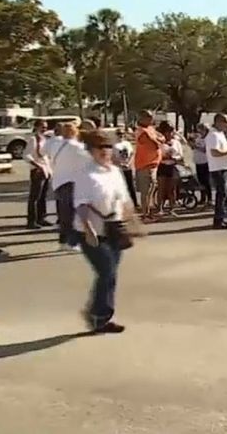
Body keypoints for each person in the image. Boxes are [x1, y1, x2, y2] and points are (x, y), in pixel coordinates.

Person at [74, 129, 135, 334]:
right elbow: (81, 204)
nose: (105, 151)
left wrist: (133, 221)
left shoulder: (114, 172)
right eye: (100, 147)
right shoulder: (86, 174)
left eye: (108, 147)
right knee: (107, 271)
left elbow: (125, 199)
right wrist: (89, 230)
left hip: (114, 228)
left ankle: (99, 314)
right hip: (91, 231)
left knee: (110, 274)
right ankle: (99, 315)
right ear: (91, 150)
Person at [50, 122, 88, 251]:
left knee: (64, 213)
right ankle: (70, 242)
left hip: (58, 181)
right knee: (72, 214)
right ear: (75, 132)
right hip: (72, 181)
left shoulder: (55, 144)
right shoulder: (77, 146)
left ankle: (63, 241)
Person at [205, 113, 227, 229]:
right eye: (225, 122)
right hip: (218, 168)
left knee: (224, 193)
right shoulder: (213, 135)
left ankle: (221, 217)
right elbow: (215, 152)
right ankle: (218, 220)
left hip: (224, 166)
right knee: (220, 194)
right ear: (218, 122)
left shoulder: (220, 133)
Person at [134, 110, 163, 220]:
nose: (150, 119)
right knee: (145, 191)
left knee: (151, 189)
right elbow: (155, 144)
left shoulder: (151, 129)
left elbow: (162, 138)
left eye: (151, 117)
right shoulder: (141, 131)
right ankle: (145, 214)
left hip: (153, 164)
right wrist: (158, 140)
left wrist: (158, 139)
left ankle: (149, 212)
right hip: (145, 165)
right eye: (148, 117)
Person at [24, 119, 51, 229]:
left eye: (45, 127)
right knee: (35, 197)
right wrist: (37, 165)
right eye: (42, 127)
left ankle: (41, 218)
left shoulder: (44, 139)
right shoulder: (33, 139)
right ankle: (31, 221)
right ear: (36, 127)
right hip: (37, 170)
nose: (44, 129)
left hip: (46, 169)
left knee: (43, 196)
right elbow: (26, 155)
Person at [156, 122, 183, 215]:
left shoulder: (176, 143)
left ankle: (172, 209)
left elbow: (180, 155)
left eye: (171, 131)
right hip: (162, 166)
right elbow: (156, 154)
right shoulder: (159, 143)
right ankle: (160, 209)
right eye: (168, 131)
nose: (170, 134)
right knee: (161, 189)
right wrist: (163, 157)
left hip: (172, 166)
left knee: (171, 189)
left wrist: (174, 158)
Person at [113, 128, 138, 208]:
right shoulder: (114, 145)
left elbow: (131, 154)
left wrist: (128, 163)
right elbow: (113, 157)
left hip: (128, 167)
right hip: (118, 169)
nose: (121, 136)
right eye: (119, 134)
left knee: (130, 185)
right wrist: (120, 164)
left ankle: (134, 202)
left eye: (122, 134)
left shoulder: (127, 143)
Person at [190, 124, 212, 206]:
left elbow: (205, 150)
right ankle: (203, 198)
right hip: (198, 161)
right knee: (200, 181)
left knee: (206, 180)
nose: (200, 131)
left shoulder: (207, 139)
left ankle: (209, 198)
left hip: (205, 162)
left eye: (201, 129)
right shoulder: (198, 138)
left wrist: (196, 147)